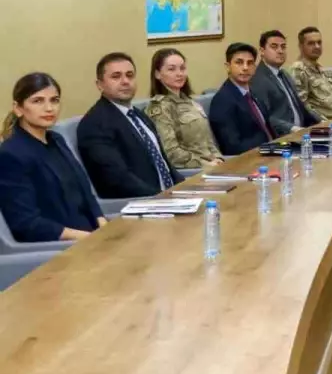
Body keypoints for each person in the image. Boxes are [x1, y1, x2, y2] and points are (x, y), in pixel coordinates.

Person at [0, 73, 105, 242]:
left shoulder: (57, 140)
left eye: (54, 100)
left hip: (91, 236)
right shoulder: (10, 154)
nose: (49, 108)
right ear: (18, 108)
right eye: (38, 101)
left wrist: (103, 226)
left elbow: (86, 193)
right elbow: (26, 223)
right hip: (60, 247)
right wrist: (89, 238)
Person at [77, 52, 183, 199]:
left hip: (171, 197)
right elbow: (117, 179)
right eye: (116, 77)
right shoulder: (95, 124)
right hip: (143, 203)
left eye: (130, 75)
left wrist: (186, 188)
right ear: (100, 85)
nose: (125, 81)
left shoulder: (139, 115)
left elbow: (164, 163)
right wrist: (161, 198)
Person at [144, 48, 222, 169]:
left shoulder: (191, 102)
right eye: (171, 69)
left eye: (182, 68)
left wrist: (219, 159)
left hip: (212, 166)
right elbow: (171, 153)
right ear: (157, 74)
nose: (179, 73)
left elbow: (208, 143)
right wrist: (204, 164)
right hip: (191, 171)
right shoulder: (160, 107)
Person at [209, 43, 275, 156]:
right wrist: (268, 146)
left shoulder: (253, 93)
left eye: (250, 63)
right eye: (239, 62)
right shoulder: (222, 100)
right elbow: (233, 147)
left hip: (272, 151)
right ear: (228, 66)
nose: (245, 68)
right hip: (251, 159)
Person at [251, 30, 319, 137]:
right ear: (262, 51)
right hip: (283, 138)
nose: (280, 51)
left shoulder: (284, 74)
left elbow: (301, 107)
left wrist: (322, 123)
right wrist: (293, 129)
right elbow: (265, 117)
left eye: (283, 47)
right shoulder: (257, 78)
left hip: (302, 134)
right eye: (274, 47)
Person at [289, 26, 332, 121]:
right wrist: (322, 122)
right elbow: (302, 105)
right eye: (311, 43)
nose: (317, 46)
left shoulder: (320, 69)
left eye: (319, 42)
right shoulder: (299, 69)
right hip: (324, 125)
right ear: (301, 46)